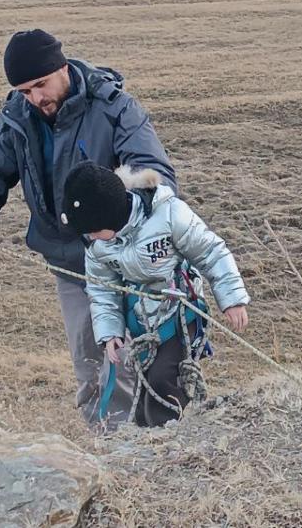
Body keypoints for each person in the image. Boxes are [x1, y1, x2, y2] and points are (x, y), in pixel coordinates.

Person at [0, 29, 176, 430]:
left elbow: (155, 177)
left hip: (130, 265)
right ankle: (110, 449)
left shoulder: (115, 108)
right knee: (92, 366)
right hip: (72, 269)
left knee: (145, 360)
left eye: (40, 84)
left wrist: (115, 216)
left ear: (62, 68)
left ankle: (154, 449)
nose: (35, 98)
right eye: (24, 91)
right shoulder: (16, 119)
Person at [62, 161, 249, 428]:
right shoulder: (99, 246)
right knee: (145, 382)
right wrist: (110, 332)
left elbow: (211, 252)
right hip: (141, 319)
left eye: (94, 230)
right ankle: (147, 438)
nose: (91, 237)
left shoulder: (168, 215)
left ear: (111, 215)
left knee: (164, 377)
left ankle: (170, 438)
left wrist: (232, 300)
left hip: (179, 312)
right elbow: (102, 290)